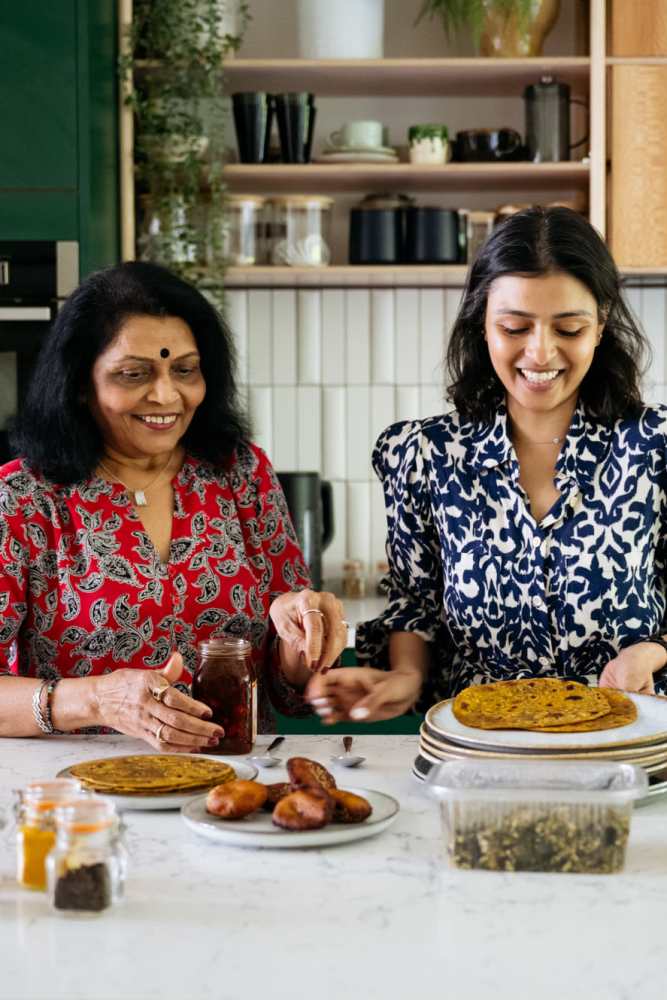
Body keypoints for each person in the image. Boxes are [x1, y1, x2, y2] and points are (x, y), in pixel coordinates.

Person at [307, 206, 667, 725]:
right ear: (482, 324)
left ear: (601, 325)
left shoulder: (654, 445)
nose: (540, 353)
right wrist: (404, 678)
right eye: (515, 327)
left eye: (568, 328)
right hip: (477, 749)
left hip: (629, 744)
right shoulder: (425, 454)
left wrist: (651, 652)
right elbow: (416, 604)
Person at [0, 261, 347, 748]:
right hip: (83, 798)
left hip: (229, 788)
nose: (166, 394)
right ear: (81, 383)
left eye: (184, 370)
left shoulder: (240, 475)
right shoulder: (23, 498)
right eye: (133, 373)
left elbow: (287, 688)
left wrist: (301, 635)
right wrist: (99, 699)